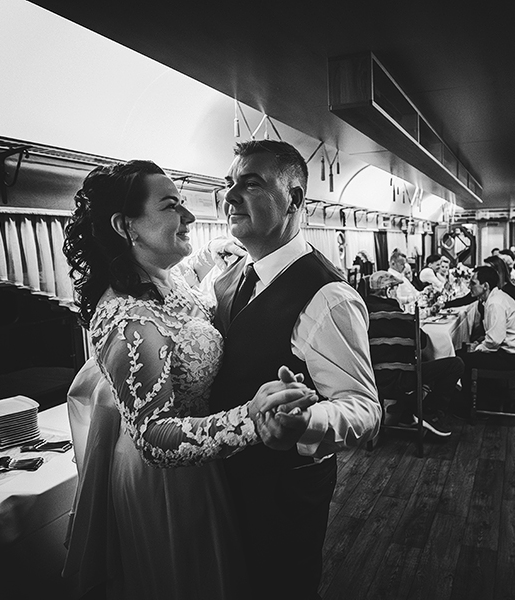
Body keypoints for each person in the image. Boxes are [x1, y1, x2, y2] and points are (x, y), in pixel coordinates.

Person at [60, 160, 317, 599]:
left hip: (203, 466)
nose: (190, 216)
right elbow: (152, 436)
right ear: (126, 226)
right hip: (166, 483)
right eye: (171, 206)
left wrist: (216, 260)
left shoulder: (166, 280)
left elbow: (190, 302)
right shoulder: (130, 320)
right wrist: (250, 420)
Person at [210, 140, 381, 600]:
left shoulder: (327, 296)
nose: (230, 196)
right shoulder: (226, 279)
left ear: (295, 199)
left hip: (281, 495)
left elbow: (364, 407)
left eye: (251, 184)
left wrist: (307, 421)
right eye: (228, 184)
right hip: (218, 484)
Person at [365, 271, 463, 439]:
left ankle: (406, 412)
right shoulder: (397, 315)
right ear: (388, 291)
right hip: (400, 379)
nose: (396, 293)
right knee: (455, 364)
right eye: (395, 289)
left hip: (371, 377)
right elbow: (422, 342)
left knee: (416, 359)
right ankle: (427, 412)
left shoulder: (362, 312)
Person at [460, 265, 515, 409]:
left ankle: (475, 406)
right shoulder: (496, 297)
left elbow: (495, 340)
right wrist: (479, 344)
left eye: (473, 283)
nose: (469, 286)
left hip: (512, 357)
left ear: (485, 286)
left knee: (463, 359)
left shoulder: (495, 303)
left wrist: (478, 347)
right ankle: (485, 400)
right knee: (466, 353)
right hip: (514, 352)